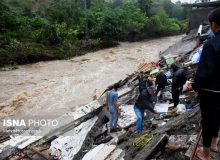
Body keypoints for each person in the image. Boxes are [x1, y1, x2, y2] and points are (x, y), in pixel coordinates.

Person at [193, 7, 220, 160]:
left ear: (214, 25)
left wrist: (196, 87)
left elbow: (204, 72)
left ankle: (206, 154)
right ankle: (215, 144)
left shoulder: (210, 45)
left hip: (211, 91)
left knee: (207, 121)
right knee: (217, 117)